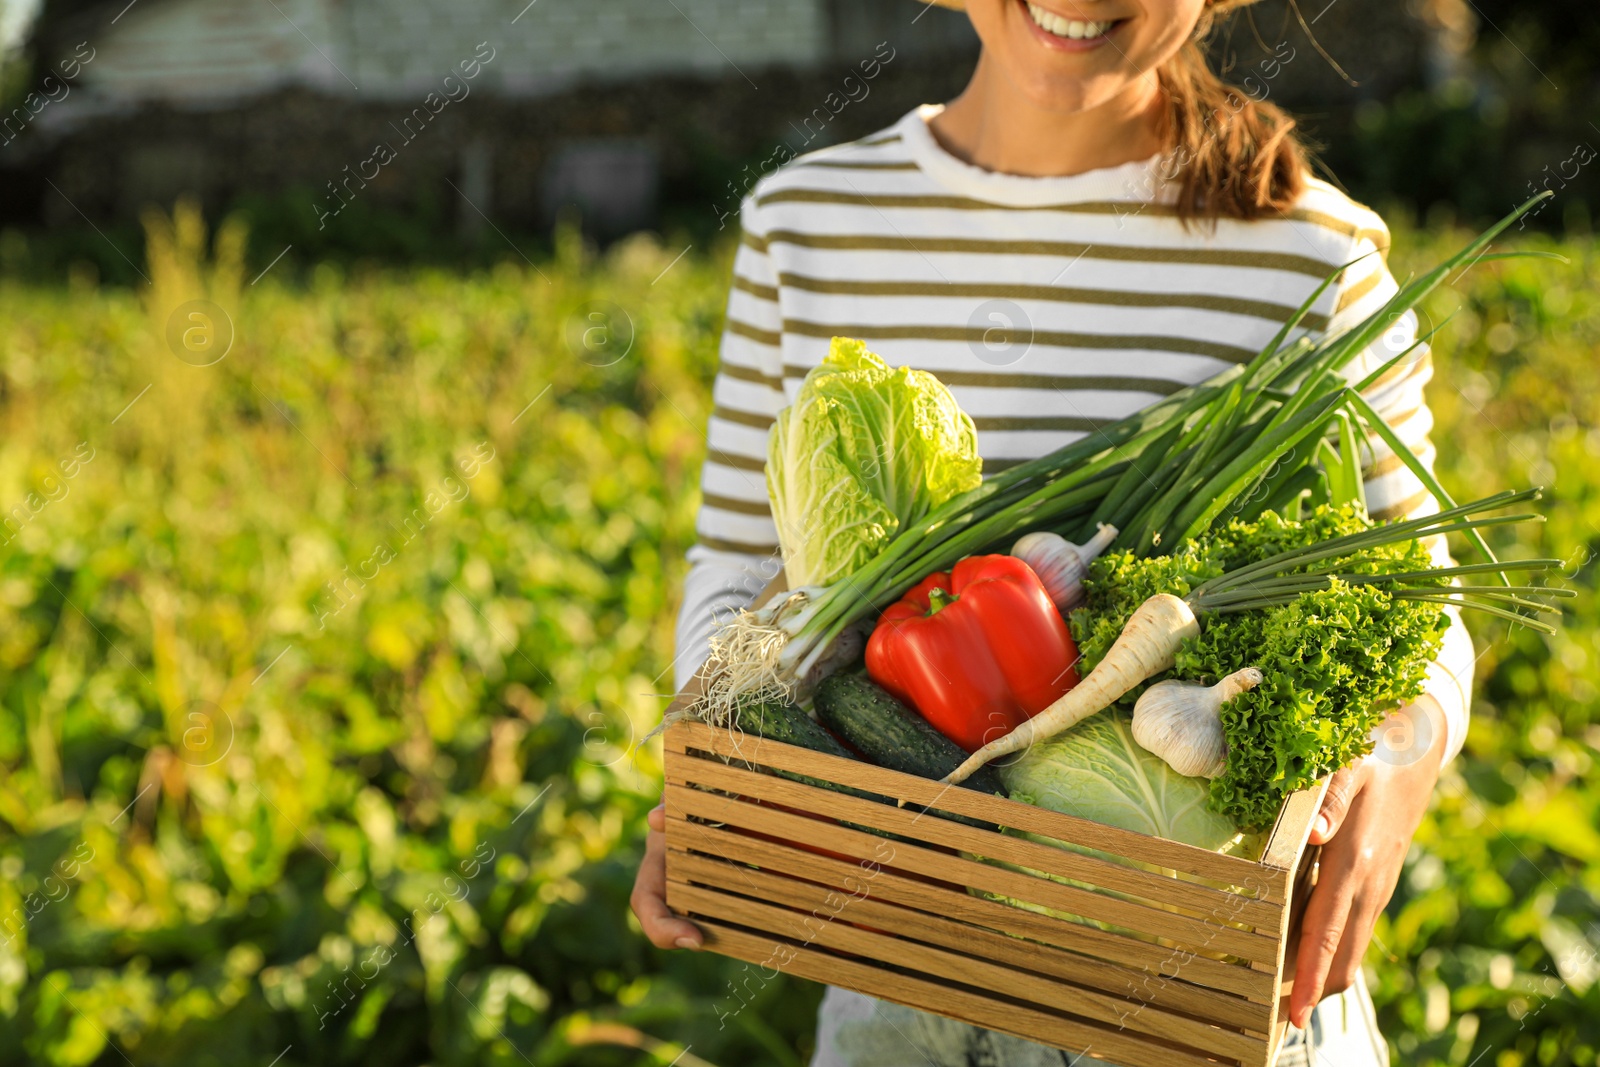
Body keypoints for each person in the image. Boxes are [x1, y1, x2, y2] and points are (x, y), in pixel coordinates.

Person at [632, 0, 1476, 1062]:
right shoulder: (807, 222)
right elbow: (739, 556)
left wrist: (1400, 763)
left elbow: (1423, 602)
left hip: (1202, 986)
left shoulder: (1316, 253)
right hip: (909, 977)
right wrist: (710, 755)